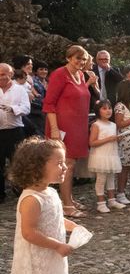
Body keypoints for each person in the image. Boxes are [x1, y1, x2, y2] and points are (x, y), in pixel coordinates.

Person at [4, 138, 83, 274]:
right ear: (37, 167)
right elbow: (28, 232)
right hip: (38, 258)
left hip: (52, 257)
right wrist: (58, 245)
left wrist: (71, 226)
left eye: (64, 162)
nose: (65, 166)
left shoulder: (50, 193)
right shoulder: (31, 199)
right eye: (58, 163)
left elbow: (54, 218)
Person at [43, 45, 91, 217]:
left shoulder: (80, 74)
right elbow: (49, 104)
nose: (81, 62)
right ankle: (67, 206)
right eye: (78, 58)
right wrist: (55, 129)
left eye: (84, 59)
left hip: (77, 126)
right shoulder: (59, 74)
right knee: (66, 165)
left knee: (72, 164)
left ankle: (68, 198)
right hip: (62, 126)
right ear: (68, 58)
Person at [88, 99, 126, 213]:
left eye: (109, 108)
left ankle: (112, 200)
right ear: (98, 111)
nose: (108, 111)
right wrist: (109, 139)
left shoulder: (113, 125)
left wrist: (118, 139)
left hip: (111, 155)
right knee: (101, 179)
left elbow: (114, 140)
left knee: (111, 178)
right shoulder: (96, 125)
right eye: (104, 108)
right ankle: (100, 203)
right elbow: (92, 142)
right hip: (101, 156)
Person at [0, 63, 30, 203]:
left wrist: (12, 109)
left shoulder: (19, 89)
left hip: (15, 131)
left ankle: (21, 191)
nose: (0, 77)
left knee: (17, 162)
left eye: (3, 74)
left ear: (11, 74)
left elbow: (26, 108)